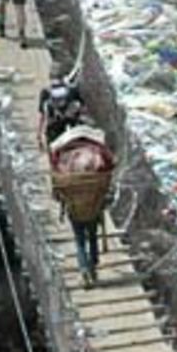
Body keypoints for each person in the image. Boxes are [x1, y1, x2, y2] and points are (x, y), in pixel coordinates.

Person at [48, 124, 115, 287]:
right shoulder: (97, 157)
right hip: (93, 206)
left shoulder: (64, 161)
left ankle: (84, 268)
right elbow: (109, 169)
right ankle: (92, 265)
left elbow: (57, 191)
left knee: (79, 241)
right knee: (92, 236)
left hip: (75, 208)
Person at [39, 74, 84, 153]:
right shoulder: (73, 89)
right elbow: (83, 106)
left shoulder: (45, 92)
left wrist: (39, 135)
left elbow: (43, 116)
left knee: (52, 150)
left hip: (55, 128)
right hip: (75, 124)